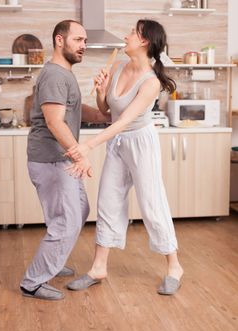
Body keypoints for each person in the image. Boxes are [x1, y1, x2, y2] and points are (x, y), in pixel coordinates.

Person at [65, 19, 184, 295]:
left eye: (132, 32)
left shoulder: (151, 83)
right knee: (107, 200)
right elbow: (108, 112)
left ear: (144, 41)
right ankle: (98, 268)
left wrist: (88, 146)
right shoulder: (118, 66)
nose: (126, 35)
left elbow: (125, 121)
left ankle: (174, 266)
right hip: (117, 143)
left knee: (152, 203)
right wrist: (103, 91)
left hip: (140, 143)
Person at [20, 20, 110, 300]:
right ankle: (32, 282)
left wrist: (100, 113)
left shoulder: (64, 74)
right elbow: (54, 121)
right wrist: (79, 152)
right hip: (52, 160)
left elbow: (71, 108)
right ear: (60, 40)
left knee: (76, 212)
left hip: (58, 159)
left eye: (85, 41)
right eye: (78, 40)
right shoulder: (56, 75)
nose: (83, 46)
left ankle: (53, 261)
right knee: (67, 219)